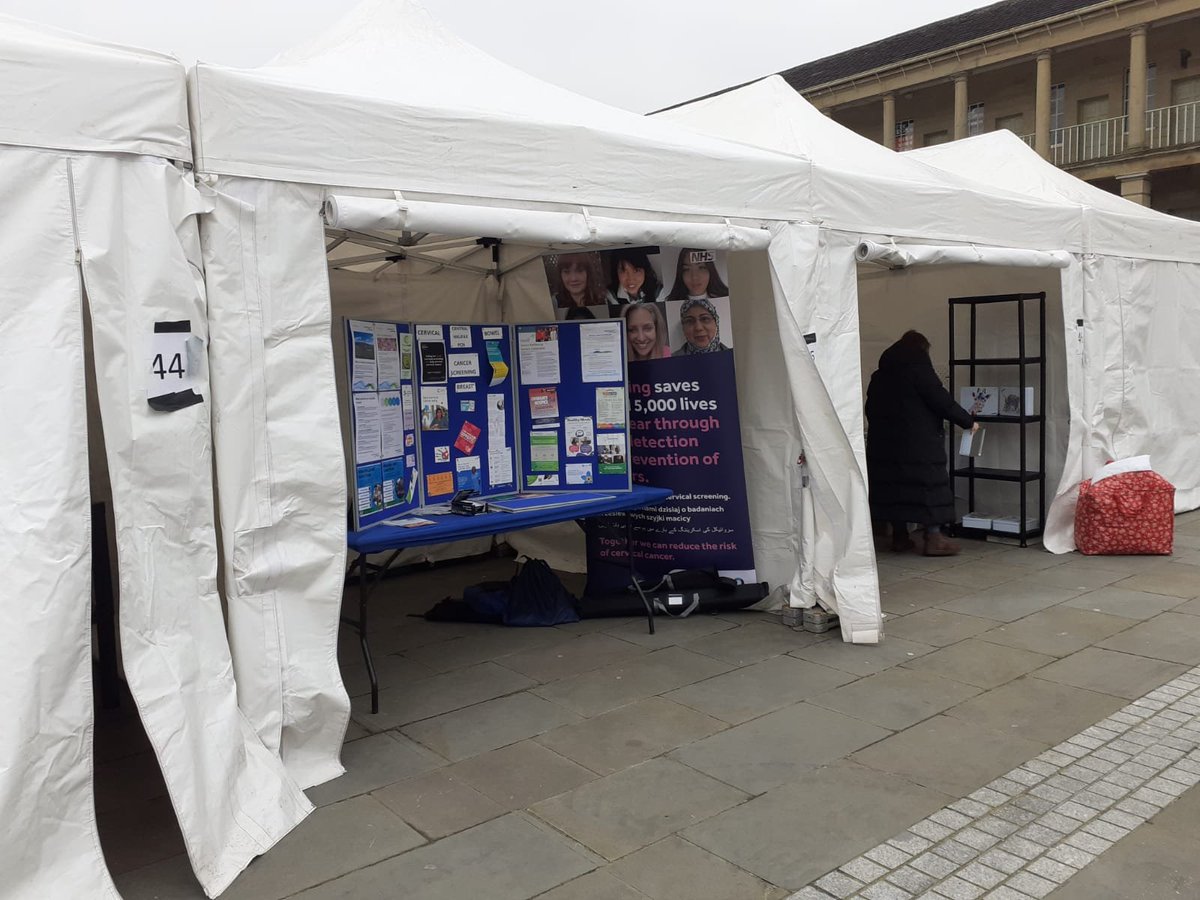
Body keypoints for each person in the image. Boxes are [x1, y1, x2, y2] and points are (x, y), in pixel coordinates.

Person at [865, 330, 978, 556]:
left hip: (885, 444)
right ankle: (934, 538)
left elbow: (870, 409)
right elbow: (941, 401)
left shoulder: (879, 376)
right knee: (929, 489)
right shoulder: (919, 371)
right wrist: (967, 421)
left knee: (895, 490)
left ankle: (900, 537)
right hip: (919, 444)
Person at [664, 247, 729, 302]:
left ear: (710, 270)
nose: (694, 277)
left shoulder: (726, 298)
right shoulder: (670, 302)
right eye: (687, 269)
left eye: (701, 268)